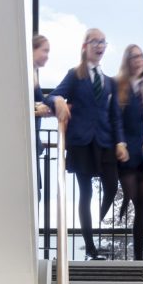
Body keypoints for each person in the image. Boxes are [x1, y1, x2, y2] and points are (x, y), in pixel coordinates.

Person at [48, 29, 128, 260]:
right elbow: (52, 95)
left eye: (104, 41)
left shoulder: (109, 81)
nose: (100, 45)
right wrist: (59, 101)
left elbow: (115, 116)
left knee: (112, 186)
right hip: (81, 142)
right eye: (96, 41)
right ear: (85, 46)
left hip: (104, 141)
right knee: (85, 194)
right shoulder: (75, 75)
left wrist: (120, 141)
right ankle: (91, 247)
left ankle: (101, 218)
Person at [115, 44, 143, 261]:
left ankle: (139, 256)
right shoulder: (120, 87)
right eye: (133, 57)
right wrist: (119, 144)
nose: (138, 60)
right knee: (130, 193)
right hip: (126, 152)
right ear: (127, 62)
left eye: (141, 56)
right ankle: (122, 203)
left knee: (142, 203)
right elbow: (116, 120)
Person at [32, 34, 52, 200]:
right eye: (44, 50)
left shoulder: (34, 73)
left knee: (36, 193)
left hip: (33, 140)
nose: (47, 56)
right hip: (27, 141)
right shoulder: (27, 75)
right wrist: (38, 108)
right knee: (34, 194)